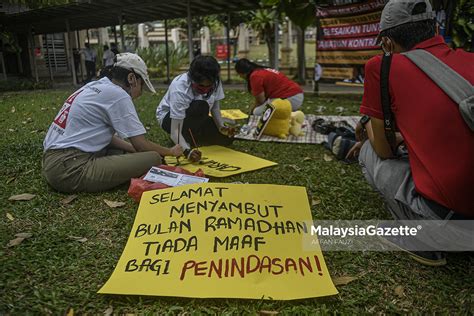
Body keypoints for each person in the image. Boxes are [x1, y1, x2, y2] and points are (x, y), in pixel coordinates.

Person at [347, 0, 474, 266]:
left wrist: (367, 124)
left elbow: (383, 148)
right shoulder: (470, 60)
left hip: (452, 227)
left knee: (370, 150)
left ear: (388, 44)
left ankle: (421, 239)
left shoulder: (381, 67)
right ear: (434, 27)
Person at [42, 53, 183, 193]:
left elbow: (107, 139)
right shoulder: (119, 95)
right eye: (142, 86)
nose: (140, 93)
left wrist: (131, 149)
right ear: (132, 78)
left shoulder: (95, 86)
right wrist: (170, 151)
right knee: (153, 158)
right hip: (71, 170)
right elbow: (141, 145)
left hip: (53, 162)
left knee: (123, 150)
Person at [156, 55, 234, 162]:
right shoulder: (180, 88)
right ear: (192, 79)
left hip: (197, 117)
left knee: (226, 138)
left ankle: (194, 135)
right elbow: (175, 131)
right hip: (169, 119)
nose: (205, 90)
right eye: (200, 86)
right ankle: (186, 138)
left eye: (209, 86)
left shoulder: (215, 81)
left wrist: (221, 126)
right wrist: (187, 151)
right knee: (200, 106)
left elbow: (215, 107)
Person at [234, 58, 304, 115]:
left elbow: (260, 100)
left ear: (242, 72)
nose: (240, 77)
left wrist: (251, 111)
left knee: (257, 112)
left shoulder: (255, 76)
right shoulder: (261, 70)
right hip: (296, 95)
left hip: (290, 98)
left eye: (239, 74)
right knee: (261, 108)